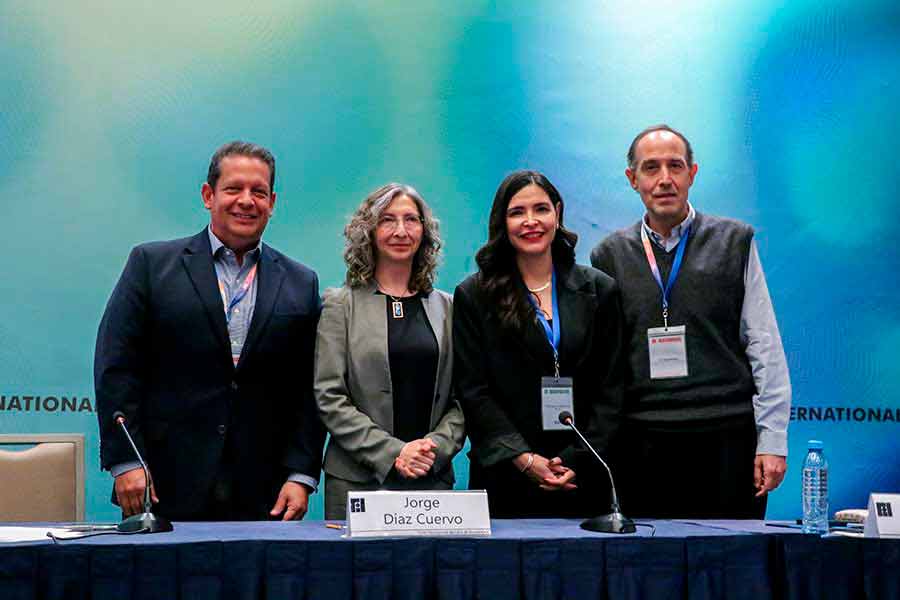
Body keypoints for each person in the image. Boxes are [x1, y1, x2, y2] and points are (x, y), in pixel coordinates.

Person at [95, 141, 326, 521]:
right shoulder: (151, 265)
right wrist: (125, 460)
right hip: (163, 481)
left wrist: (301, 474)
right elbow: (117, 367)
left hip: (264, 490)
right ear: (208, 195)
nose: (246, 201)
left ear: (273, 202)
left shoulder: (301, 282)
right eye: (234, 189)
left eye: (259, 192)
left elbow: (309, 386)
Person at [590, 124, 791, 519]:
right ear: (633, 179)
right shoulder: (607, 257)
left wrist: (772, 441)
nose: (664, 179)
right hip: (642, 445)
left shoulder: (735, 242)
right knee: (649, 575)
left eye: (675, 166)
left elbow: (764, 344)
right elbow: (603, 368)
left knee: (732, 572)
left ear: (692, 174)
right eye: (651, 168)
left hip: (727, 442)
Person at [453, 170, 625, 518]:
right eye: (517, 212)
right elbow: (473, 390)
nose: (530, 221)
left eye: (541, 209)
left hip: (584, 472)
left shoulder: (599, 290)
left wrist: (577, 458)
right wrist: (524, 458)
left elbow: (613, 387)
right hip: (505, 473)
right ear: (502, 221)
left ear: (557, 214)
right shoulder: (474, 295)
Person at [314, 183, 465, 520]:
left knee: (432, 574)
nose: (400, 230)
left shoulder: (450, 308)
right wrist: (395, 453)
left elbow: (462, 398)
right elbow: (330, 397)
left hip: (432, 478)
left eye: (411, 220)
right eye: (387, 220)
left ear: (425, 232)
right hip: (357, 481)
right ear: (368, 230)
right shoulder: (340, 305)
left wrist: (433, 450)